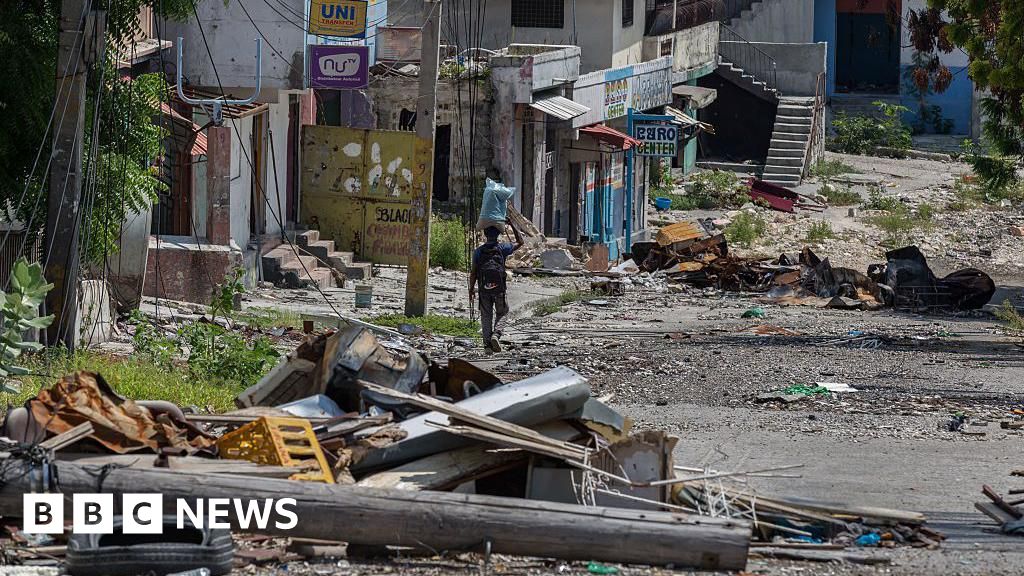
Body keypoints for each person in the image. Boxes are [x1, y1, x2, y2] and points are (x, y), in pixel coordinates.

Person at [469, 222, 523, 352]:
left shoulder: (478, 251)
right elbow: (520, 242)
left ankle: (487, 345)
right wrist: (512, 224)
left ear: (485, 234)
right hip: (499, 289)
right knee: (503, 312)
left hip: (483, 288)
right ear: (498, 234)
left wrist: (471, 289)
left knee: (486, 315)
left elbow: (474, 272)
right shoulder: (503, 248)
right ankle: (496, 334)